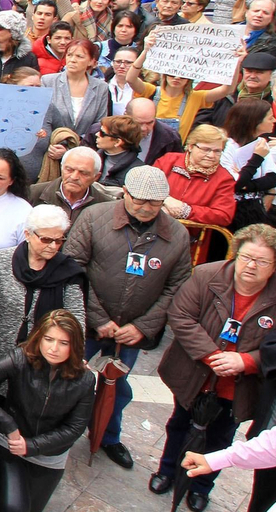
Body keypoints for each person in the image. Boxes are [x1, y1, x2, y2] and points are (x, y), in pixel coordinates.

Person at [63, 167, 193, 471]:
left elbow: (178, 286)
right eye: (140, 201)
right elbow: (73, 268)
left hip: (132, 330)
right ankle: (58, 431)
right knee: (67, 376)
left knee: (116, 386)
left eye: (156, 203)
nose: (147, 208)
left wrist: (143, 326)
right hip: (88, 322)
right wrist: (97, 318)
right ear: (125, 194)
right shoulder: (95, 217)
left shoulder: (177, 234)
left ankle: (108, 436)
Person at [150, 225, 276, 512]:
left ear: (274, 266)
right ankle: (167, 471)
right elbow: (181, 315)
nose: (251, 266)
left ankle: (201, 487)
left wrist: (247, 361)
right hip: (196, 372)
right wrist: (211, 355)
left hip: (239, 384)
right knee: (179, 423)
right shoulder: (207, 275)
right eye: (246, 258)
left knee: (221, 436)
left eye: (262, 261)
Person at [0, 310, 95, 512]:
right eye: (49, 339)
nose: (53, 348)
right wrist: (8, 424)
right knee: (12, 511)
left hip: (49, 452)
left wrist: (32, 446)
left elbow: (75, 427)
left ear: (74, 346)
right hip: (9, 442)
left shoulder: (85, 379)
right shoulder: (20, 358)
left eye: (63, 343)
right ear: (39, 338)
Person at [0, 204, 88, 370]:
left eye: (58, 240)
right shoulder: (0, 262)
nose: (53, 246)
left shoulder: (68, 271)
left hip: (40, 363)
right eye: (46, 240)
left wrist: (76, 352)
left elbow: (75, 318)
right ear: (28, 235)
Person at [27, 147, 109, 223]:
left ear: (96, 177)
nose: (74, 177)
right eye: (69, 170)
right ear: (61, 168)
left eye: (83, 173)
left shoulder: (105, 206)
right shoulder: (33, 193)